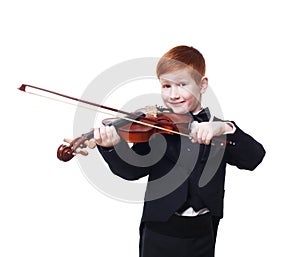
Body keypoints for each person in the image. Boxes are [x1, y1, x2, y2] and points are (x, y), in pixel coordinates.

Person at [94, 45, 266, 257]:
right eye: (166, 86)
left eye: (182, 84)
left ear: (202, 85)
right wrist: (113, 147)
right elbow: (131, 171)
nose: (173, 94)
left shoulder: (218, 131)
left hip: (203, 233)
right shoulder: (157, 127)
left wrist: (226, 127)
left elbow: (254, 158)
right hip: (159, 232)